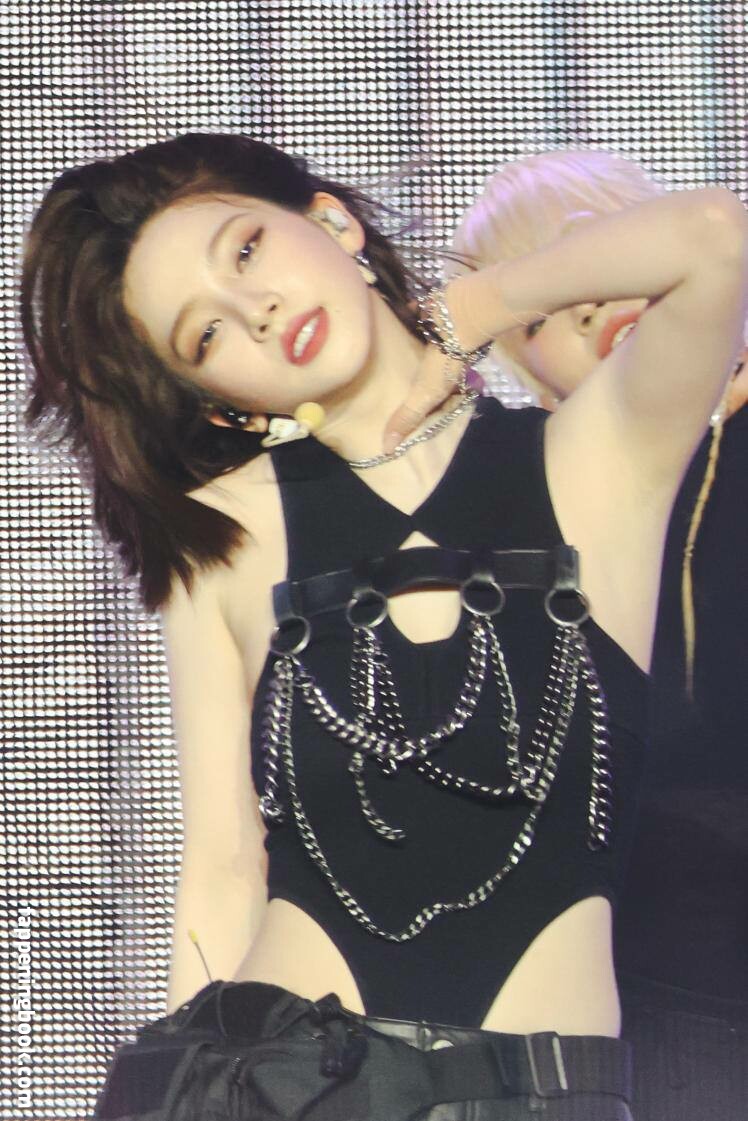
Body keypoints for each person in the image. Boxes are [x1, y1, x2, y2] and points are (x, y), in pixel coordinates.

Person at [20, 133, 748, 1121]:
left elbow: (713, 234)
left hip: (550, 1090)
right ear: (215, 402)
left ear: (330, 220)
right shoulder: (224, 536)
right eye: (205, 335)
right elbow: (223, 870)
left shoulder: (597, 456)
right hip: (289, 1088)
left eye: (246, 250)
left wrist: (471, 310)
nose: (256, 309)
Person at [445, 147, 748, 1121]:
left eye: (594, 250)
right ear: (530, 377)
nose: (581, 305)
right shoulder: (538, 530)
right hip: (669, 1003)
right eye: (535, 313)